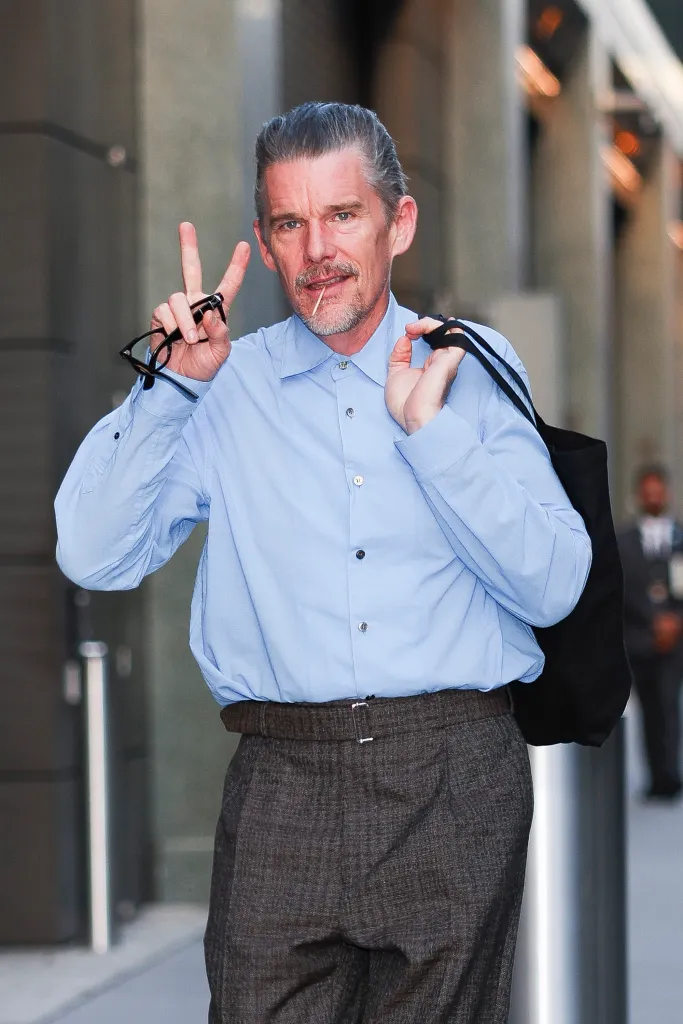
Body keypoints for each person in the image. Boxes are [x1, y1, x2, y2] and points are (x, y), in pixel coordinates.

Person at [55, 102, 591, 1023]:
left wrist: (429, 435)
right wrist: (172, 387)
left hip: (453, 778)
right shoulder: (217, 385)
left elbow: (553, 583)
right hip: (281, 784)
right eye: (289, 224)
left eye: (343, 215)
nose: (317, 251)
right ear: (263, 245)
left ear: (399, 222)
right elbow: (91, 554)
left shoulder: (466, 366)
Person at [618, 465, 683, 800]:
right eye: (648, 491)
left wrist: (674, 621)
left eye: (659, 490)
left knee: (670, 705)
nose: (654, 496)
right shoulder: (624, 541)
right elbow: (623, 587)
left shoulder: (679, 537)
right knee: (649, 709)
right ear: (640, 494)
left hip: (675, 642)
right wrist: (653, 621)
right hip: (642, 639)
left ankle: (670, 775)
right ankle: (656, 776)